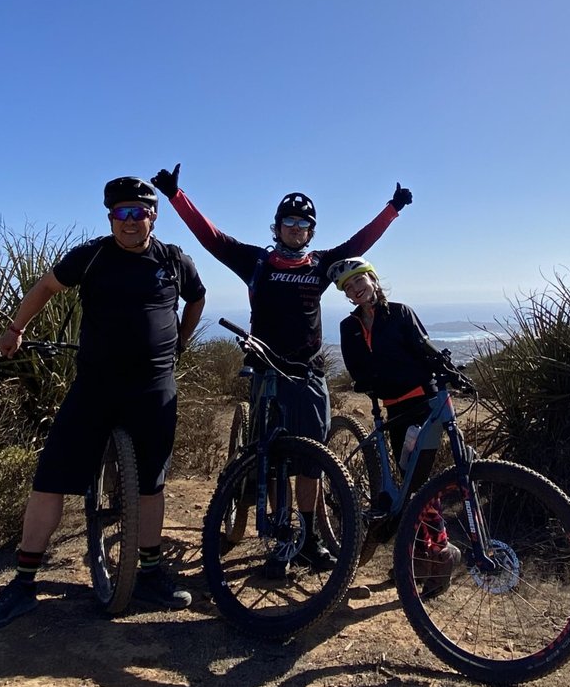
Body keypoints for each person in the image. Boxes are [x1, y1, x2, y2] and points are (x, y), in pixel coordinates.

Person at [149, 164, 411, 576]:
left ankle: (307, 537)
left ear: (311, 231)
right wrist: (176, 196)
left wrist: (391, 210)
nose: (295, 228)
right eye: (289, 222)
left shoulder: (320, 264)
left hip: (308, 373)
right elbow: (212, 238)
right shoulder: (257, 261)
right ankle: (282, 536)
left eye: (303, 223)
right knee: (272, 462)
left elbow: (359, 242)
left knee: (311, 461)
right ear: (277, 226)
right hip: (267, 374)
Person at [0, 176, 205, 629]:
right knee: (51, 480)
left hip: (154, 389)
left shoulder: (174, 260)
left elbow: (196, 299)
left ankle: (150, 573)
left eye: (138, 212)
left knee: (151, 485)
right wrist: (16, 329)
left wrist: (181, 341)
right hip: (96, 386)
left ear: (153, 216)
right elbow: (45, 287)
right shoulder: (92, 255)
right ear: (110, 218)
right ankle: (23, 583)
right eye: (121, 213)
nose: (130, 221)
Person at [330, 256, 461, 595]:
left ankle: (441, 555)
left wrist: (447, 369)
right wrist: (371, 381)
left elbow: (424, 348)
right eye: (349, 287)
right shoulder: (348, 327)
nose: (356, 289)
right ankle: (421, 557)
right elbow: (356, 369)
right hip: (392, 407)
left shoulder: (401, 313)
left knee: (419, 483)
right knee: (410, 485)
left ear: (373, 279)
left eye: (360, 281)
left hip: (422, 403)